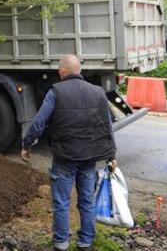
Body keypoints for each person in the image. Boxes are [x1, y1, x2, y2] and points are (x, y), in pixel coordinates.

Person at [21, 55, 116, 251]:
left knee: (62, 201)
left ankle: (61, 243)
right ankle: (86, 242)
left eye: (59, 69)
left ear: (63, 71)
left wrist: (27, 144)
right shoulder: (98, 92)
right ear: (78, 71)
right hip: (90, 157)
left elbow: (39, 122)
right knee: (87, 199)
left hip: (65, 157)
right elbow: (107, 126)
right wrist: (111, 155)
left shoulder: (56, 91)